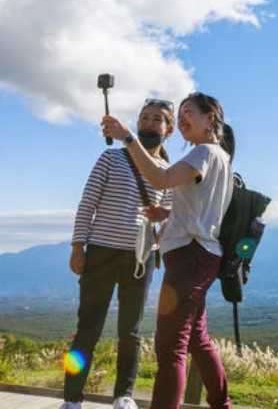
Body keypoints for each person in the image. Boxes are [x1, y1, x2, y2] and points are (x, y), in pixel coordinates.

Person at [101, 92, 235, 409]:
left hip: (189, 257)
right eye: (182, 112)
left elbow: (160, 179)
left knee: (170, 346)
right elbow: (203, 210)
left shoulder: (204, 151)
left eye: (190, 112)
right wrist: (168, 215)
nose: (184, 117)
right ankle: (222, 403)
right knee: (197, 340)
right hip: (201, 255)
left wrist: (127, 138)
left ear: (210, 118)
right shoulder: (220, 157)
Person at [61, 99, 174, 409]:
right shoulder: (110, 159)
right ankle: (72, 399)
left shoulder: (167, 172)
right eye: (145, 118)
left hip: (141, 259)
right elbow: (88, 204)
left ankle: (123, 396)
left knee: (131, 332)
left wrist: (162, 224)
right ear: (137, 124)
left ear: (169, 129)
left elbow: (171, 214)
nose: (150, 123)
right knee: (88, 329)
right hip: (100, 253)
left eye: (157, 119)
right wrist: (77, 246)